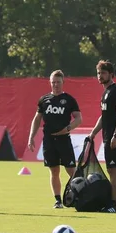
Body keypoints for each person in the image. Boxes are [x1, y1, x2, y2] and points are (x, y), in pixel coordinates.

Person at [27, 70, 82, 209]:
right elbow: (37, 118)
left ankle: (80, 195)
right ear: (50, 83)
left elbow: (78, 118)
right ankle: (57, 200)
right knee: (54, 171)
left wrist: (68, 128)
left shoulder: (69, 99)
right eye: (53, 82)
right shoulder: (44, 100)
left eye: (58, 82)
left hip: (64, 139)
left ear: (63, 82)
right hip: (49, 140)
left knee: (71, 171)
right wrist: (31, 136)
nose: (55, 85)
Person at [88, 60, 116, 213]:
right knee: (110, 169)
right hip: (107, 136)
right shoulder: (105, 93)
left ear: (111, 74)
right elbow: (104, 116)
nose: (100, 76)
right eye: (98, 73)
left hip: (114, 137)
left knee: (113, 169)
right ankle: (110, 203)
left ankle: (113, 205)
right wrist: (93, 133)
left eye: (103, 73)